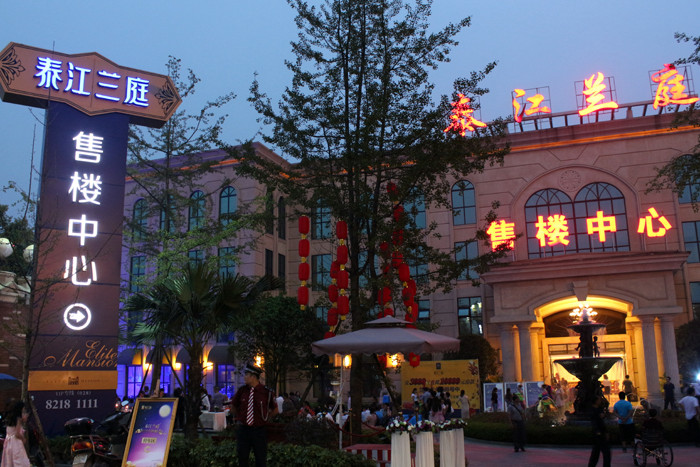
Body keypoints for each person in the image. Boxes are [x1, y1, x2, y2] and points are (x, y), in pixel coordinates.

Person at [232, 362, 278, 467]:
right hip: (244, 430)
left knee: (260, 459)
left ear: (253, 377)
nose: (244, 377)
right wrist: (240, 417)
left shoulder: (266, 392)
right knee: (242, 459)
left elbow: (275, 409)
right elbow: (234, 406)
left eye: (247, 375)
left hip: (259, 430)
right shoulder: (242, 391)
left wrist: (266, 418)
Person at [2, 400, 30, 467]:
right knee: (19, 461)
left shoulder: (9, 419)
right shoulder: (18, 419)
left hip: (8, 443)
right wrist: (23, 438)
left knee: (9, 461)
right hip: (16, 443)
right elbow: (17, 434)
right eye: (23, 410)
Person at [588, 394, 611, 467]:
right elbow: (595, 422)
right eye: (599, 399)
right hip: (599, 434)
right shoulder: (593, 411)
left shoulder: (599, 409)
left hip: (600, 433)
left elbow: (601, 421)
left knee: (596, 452)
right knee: (604, 452)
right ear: (595, 401)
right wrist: (598, 432)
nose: (600, 401)